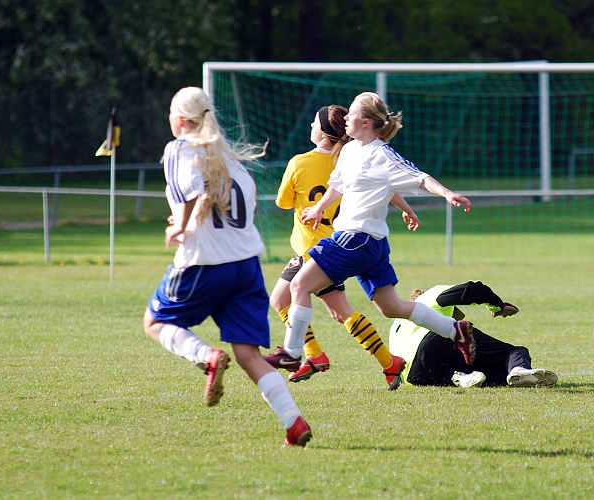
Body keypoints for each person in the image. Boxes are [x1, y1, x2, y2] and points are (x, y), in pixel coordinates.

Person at [142, 87, 311, 447]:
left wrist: (181, 227)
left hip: (205, 264)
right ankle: (293, 423)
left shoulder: (179, 148)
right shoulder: (232, 161)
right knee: (248, 354)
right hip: (246, 266)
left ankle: (206, 357)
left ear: (182, 119)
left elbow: (190, 192)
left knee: (155, 322)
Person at [285, 91, 476, 386]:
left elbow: (420, 177)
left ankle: (292, 353)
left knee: (298, 285)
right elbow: (338, 186)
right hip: (369, 245)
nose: (345, 117)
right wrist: (319, 208)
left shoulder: (382, 154)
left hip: (354, 239)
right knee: (392, 308)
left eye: (350, 113)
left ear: (364, 121)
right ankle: (455, 330)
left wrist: (447, 193)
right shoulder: (349, 150)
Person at [264, 104, 422, 389]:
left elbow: (283, 203)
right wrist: (407, 207)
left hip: (315, 248)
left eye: (314, 122)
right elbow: (385, 185)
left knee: (284, 300)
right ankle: (387, 362)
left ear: (323, 130)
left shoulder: (301, 162)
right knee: (339, 311)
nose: (310, 126)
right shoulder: (350, 156)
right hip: (340, 242)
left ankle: (311, 354)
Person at [388, 281, 558, 388]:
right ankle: (519, 369)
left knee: (487, 376)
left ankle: (462, 378)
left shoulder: (396, 325)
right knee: (514, 352)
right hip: (432, 341)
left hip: (414, 375)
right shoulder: (430, 296)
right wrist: (498, 306)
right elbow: (473, 290)